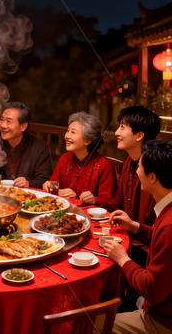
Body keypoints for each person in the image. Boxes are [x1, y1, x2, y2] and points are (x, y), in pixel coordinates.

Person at [102, 140, 172, 334]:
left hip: (163, 321)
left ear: (152, 177)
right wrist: (134, 227)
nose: (136, 171)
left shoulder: (169, 224)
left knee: (88, 325)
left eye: (139, 166)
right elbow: (160, 240)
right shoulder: (167, 208)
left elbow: (152, 290)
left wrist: (123, 259)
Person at [104, 105, 162, 226]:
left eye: (122, 127)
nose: (116, 133)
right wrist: (95, 203)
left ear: (139, 136)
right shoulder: (128, 162)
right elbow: (118, 201)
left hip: (144, 240)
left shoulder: (154, 170)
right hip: (128, 232)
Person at [42, 112, 116, 206]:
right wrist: (49, 186)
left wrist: (91, 199)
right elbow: (55, 185)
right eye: (68, 131)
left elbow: (110, 202)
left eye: (73, 132)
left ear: (88, 140)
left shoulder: (105, 166)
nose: (67, 136)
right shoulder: (64, 159)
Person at [0, 102, 53, 188]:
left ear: (23, 126)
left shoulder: (40, 148)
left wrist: (28, 183)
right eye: (1, 120)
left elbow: (45, 180)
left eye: (8, 121)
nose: (2, 125)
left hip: (26, 197)